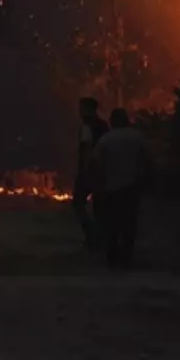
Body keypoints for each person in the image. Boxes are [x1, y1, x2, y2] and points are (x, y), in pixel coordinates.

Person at [89, 108, 152, 267]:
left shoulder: (105, 140)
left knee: (112, 223)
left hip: (111, 188)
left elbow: (96, 164)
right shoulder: (138, 138)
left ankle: (112, 254)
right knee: (129, 223)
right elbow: (147, 160)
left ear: (112, 122)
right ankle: (126, 255)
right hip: (132, 187)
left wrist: (98, 185)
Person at [73, 97, 109, 250]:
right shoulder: (103, 126)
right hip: (103, 170)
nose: (80, 112)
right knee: (99, 206)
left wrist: (84, 170)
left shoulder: (87, 127)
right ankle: (101, 237)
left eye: (82, 108)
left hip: (90, 171)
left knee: (78, 203)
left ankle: (92, 236)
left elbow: (86, 148)